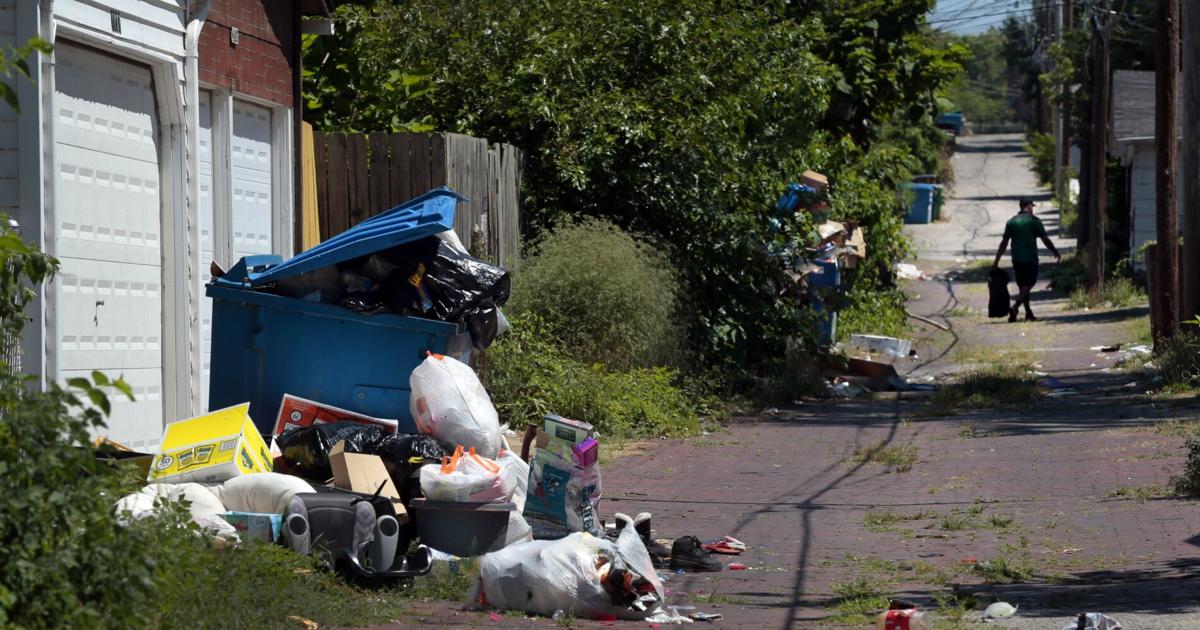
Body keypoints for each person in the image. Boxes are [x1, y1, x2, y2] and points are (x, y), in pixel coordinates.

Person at [991, 197, 1060, 322]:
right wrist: (1054, 251)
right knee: (1029, 284)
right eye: (1032, 206)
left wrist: (996, 261)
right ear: (1028, 206)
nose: (1032, 209)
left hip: (1016, 259)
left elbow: (1004, 243)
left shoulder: (1011, 222)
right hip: (1030, 258)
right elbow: (1045, 239)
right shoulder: (1034, 221)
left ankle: (1028, 312)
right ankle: (1015, 307)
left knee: (1023, 286)